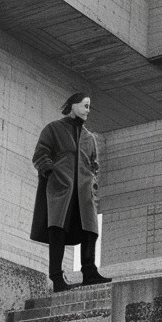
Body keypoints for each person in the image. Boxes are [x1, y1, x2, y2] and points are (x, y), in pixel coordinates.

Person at [30, 92, 111, 292]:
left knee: (90, 230)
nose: (88, 111)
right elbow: (40, 153)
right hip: (61, 189)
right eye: (85, 106)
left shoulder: (89, 138)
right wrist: (50, 170)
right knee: (57, 231)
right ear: (73, 106)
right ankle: (57, 277)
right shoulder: (53, 129)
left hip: (84, 192)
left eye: (89, 106)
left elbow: (94, 164)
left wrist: (92, 181)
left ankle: (89, 271)